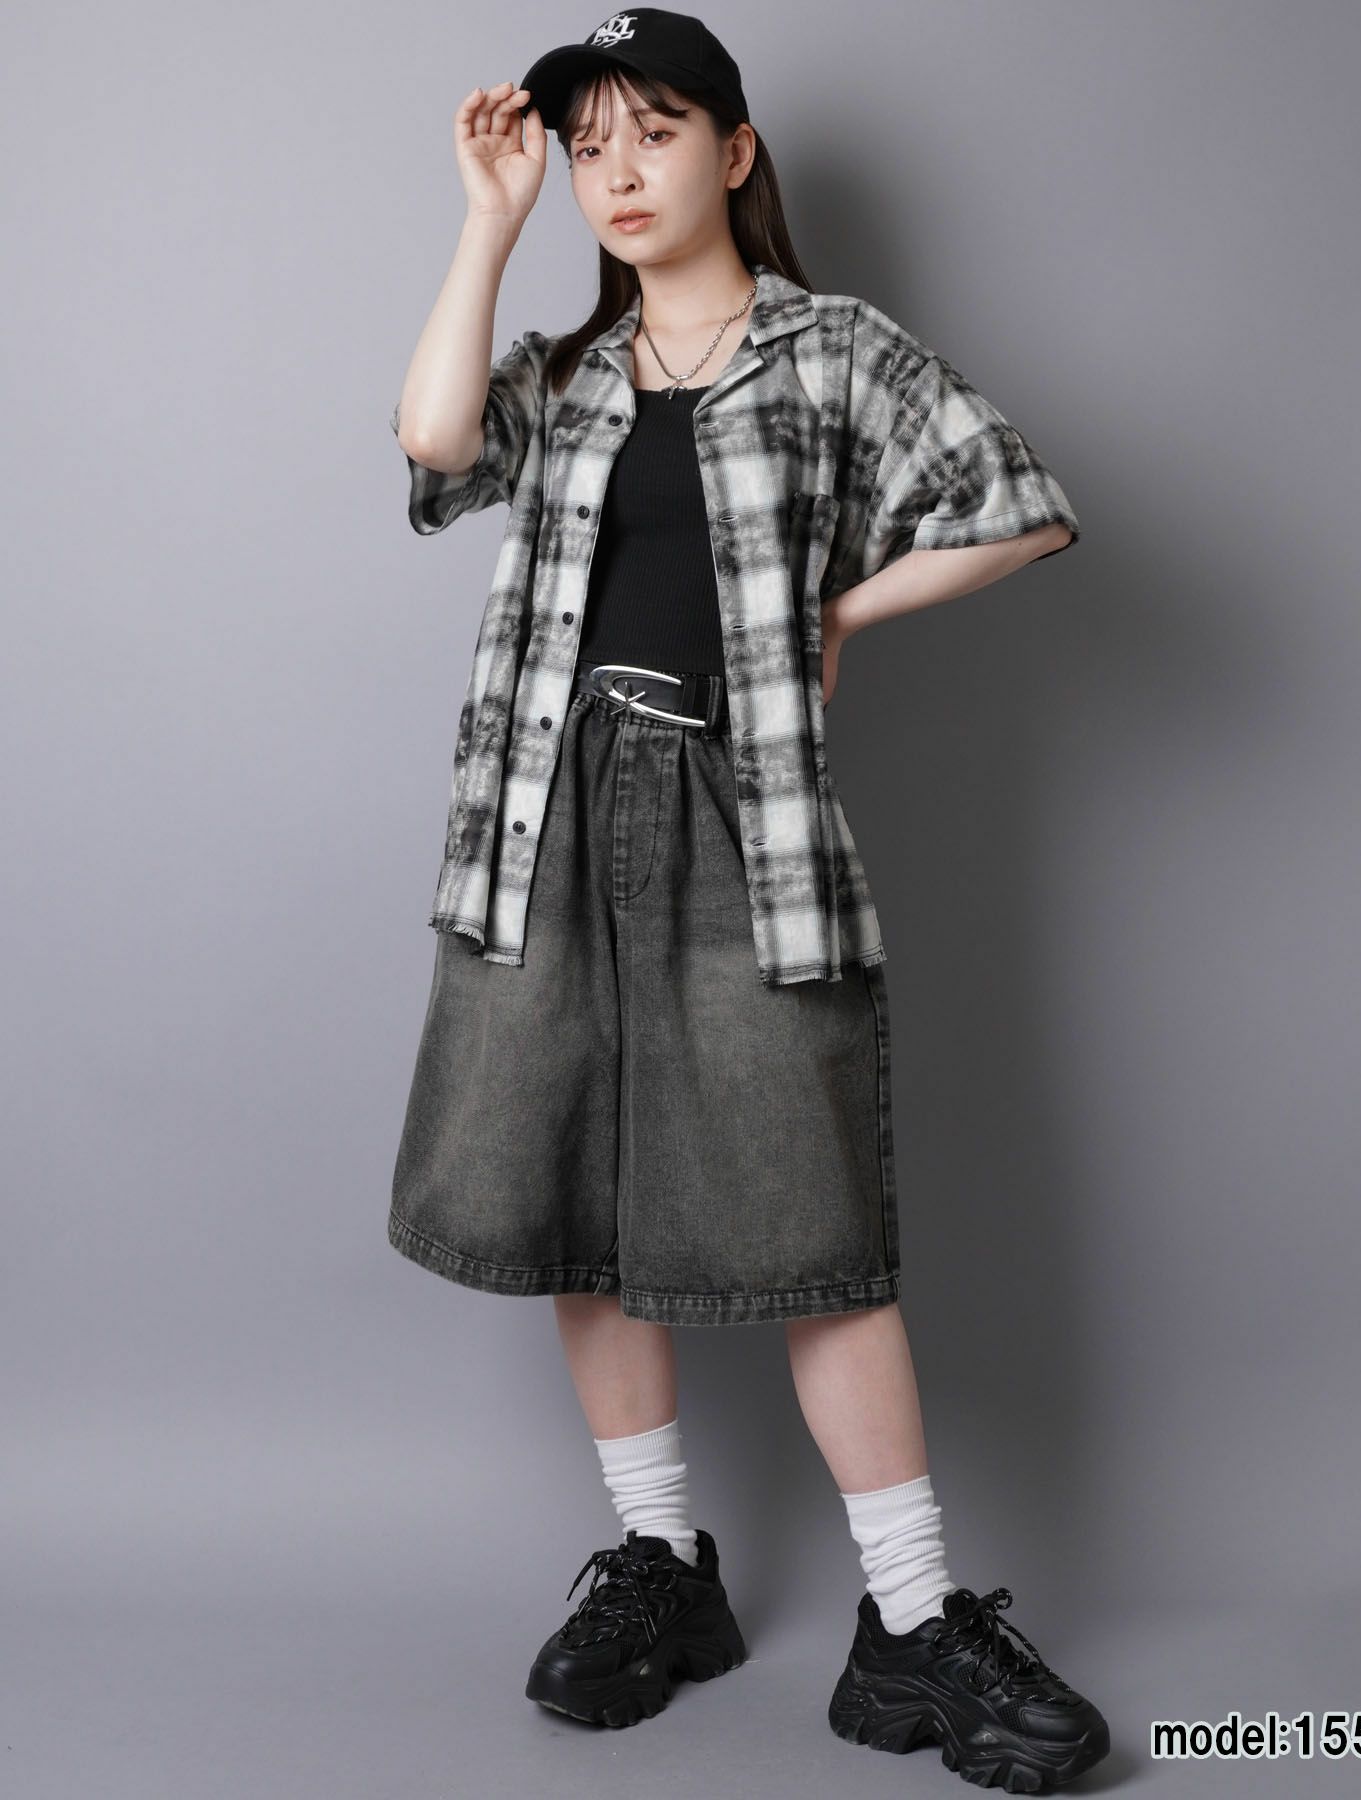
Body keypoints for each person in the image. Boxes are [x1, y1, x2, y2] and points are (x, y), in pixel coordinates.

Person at [387, 9, 1109, 1790]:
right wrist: (487, 223)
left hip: (745, 819)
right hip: (545, 816)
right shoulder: (568, 371)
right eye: (588, 149)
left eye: (655, 131)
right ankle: (663, 1566)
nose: (618, 173)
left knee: (810, 1223)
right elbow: (432, 442)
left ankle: (914, 1622)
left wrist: (842, 608)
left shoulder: (834, 348)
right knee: (575, 1197)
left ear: (736, 149)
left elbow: (1021, 504)